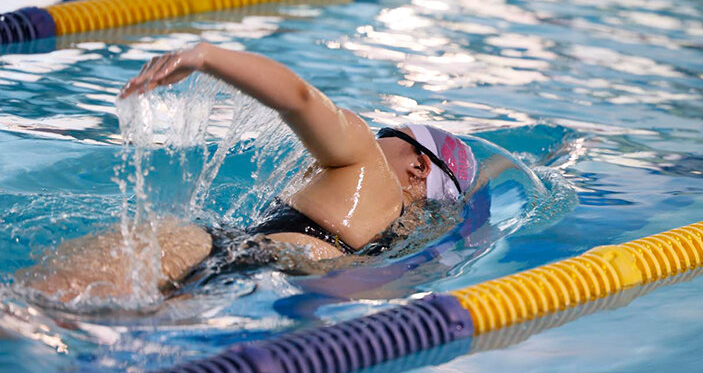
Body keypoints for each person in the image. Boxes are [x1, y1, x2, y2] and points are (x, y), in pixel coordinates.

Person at [19, 43, 478, 301]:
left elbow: (299, 99)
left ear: (419, 164)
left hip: (212, 249)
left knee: (25, 304)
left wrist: (203, 56)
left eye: (389, 134)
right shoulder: (397, 243)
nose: (375, 139)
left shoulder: (365, 163)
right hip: (243, 290)